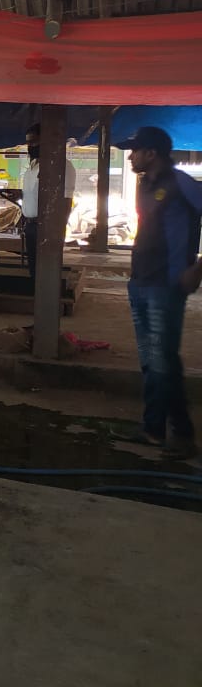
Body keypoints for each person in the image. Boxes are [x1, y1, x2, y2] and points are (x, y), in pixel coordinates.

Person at [118, 126, 202, 460]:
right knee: (152, 361)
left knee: (163, 360)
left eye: (135, 150)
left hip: (166, 286)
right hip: (141, 283)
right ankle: (153, 429)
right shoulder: (145, 186)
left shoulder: (181, 183)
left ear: (151, 153)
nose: (130, 157)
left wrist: (197, 269)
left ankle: (182, 434)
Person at [20, 122, 77, 284]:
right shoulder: (32, 166)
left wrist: (57, 232)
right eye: (28, 143)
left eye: (34, 142)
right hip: (31, 225)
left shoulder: (62, 166)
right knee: (35, 271)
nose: (30, 147)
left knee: (46, 272)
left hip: (47, 227)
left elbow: (66, 201)